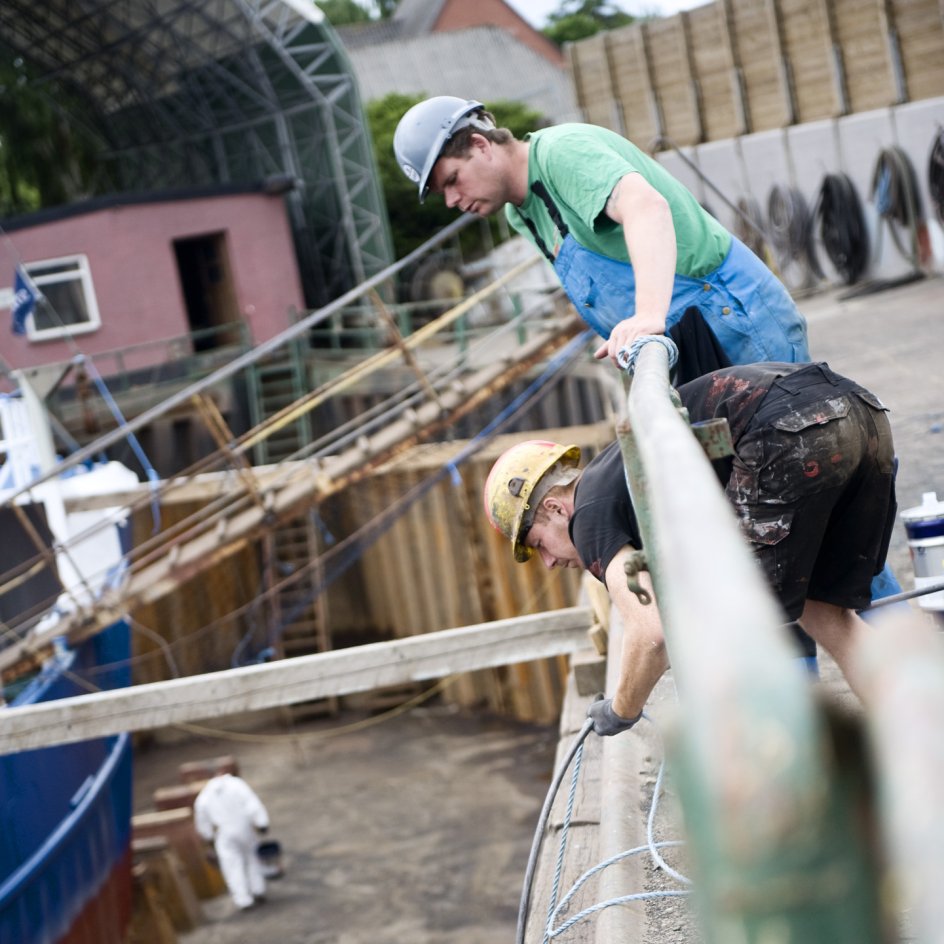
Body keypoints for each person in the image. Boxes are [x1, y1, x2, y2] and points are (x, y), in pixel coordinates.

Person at [482, 361, 897, 735]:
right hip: (859, 411)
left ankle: (791, 796)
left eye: (539, 544)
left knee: (740, 629)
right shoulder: (619, 473)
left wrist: (621, 709)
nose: (551, 562)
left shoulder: (587, 516)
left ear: (555, 507)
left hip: (786, 432)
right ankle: (920, 741)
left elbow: (650, 636)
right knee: (826, 611)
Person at [393, 96, 810, 369]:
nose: (451, 201)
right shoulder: (521, 214)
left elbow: (646, 207)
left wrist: (647, 317)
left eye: (451, 180)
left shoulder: (561, 152)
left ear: (481, 146)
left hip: (735, 323)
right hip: (690, 349)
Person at [194, 772, 271, 910]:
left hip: (225, 834)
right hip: (245, 828)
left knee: (232, 867)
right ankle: (258, 890)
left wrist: (208, 836)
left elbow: (202, 820)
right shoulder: (236, 784)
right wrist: (262, 822)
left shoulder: (204, 795)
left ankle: (243, 900)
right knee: (253, 858)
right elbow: (252, 802)